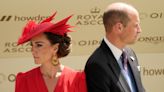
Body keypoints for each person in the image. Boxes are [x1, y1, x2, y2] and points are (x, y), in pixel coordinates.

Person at [15, 12, 87, 92]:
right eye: (32, 45)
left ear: (55, 48)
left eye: (39, 45)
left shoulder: (77, 79)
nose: (32, 50)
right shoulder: (24, 80)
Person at [85, 2, 145, 92]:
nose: (139, 30)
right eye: (136, 25)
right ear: (119, 27)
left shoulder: (130, 54)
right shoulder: (97, 65)